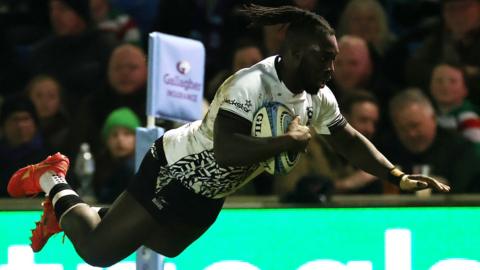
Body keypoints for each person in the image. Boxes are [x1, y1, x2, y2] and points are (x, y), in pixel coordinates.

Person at [7, 5, 449, 267]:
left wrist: (397, 175)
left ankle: (86, 211)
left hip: (210, 193)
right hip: (176, 170)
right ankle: (53, 180)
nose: (331, 70)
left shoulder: (317, 96)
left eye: (334, 61)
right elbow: (227, 146)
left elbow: (348, 138)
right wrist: (286, 142)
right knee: (99, 253)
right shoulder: (250, 85)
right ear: (294, 53)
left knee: (168, 245)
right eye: (324, 59)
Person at [380, 88, 480, 193]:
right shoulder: (387, 151)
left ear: (433, 118)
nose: (411, 134)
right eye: (402, 128)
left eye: (415, 126)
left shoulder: (461, 150)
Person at [0, 96, 49, 197]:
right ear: (3, 125)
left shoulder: (48, 159)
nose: (20, 125)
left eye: (25, 119)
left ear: (35, 124)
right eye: (15, 119)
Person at [94, 107, 140, 203]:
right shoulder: (101, 165)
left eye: (127, 134)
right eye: (114, 134)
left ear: (137, 138)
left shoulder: (133, 169)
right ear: (106, 140)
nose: (120, 140)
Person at [429, 62, 480, 145]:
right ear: (430, 86)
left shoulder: (469, 120)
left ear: (465, 89)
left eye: (453, 81)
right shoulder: (428, 115)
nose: (445, 86)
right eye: (439, 81)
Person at [26, 74, 70, 152]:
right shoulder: (19, 127)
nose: (45, 102)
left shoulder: (67, 134)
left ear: (60, 101)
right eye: (39, 96)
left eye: (52, 96)